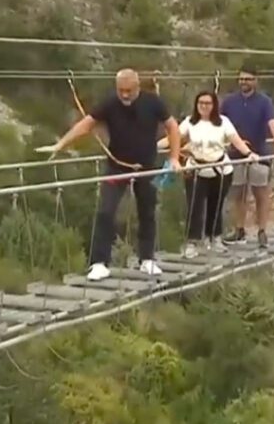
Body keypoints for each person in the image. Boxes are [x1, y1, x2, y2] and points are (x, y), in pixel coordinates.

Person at [37, 68, 182, 281]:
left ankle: (147, 259)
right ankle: (99, 263)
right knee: (105, 211)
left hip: (147, 165)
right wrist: (60, 144)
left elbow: (173, 127)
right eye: (121, 90)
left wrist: (174, 158)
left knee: (147, 212)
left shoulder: (153, 102)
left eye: (129, 91)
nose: (124, 95)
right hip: (117, 165)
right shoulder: (110, 103)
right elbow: (86, 125)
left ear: (137, 87)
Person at [158, 90, 259, 259]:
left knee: (216, 205)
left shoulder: (223, 122)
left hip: (221, 170)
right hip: (196, 170)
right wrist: (153, 146)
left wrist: (249, 153)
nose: (204, 106)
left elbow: (236, 140)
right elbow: (172, 139)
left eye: (208, 103)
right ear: (196, 105)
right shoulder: (189, 123)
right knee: (194, 207)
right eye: (201, 103)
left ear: (214, 105)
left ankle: (214, 238)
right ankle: (192, 242)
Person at [220, 64, 274, 249]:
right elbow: (220, 123)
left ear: (255, 81)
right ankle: (240, 230)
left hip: (259, 154)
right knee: (238, 193)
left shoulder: (264, 102)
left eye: (248, 79)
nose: (244, 82)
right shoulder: (230, 101)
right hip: (236, 154)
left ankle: (262, 231)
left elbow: (272, 123)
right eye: (241, 79)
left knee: (260, 193)